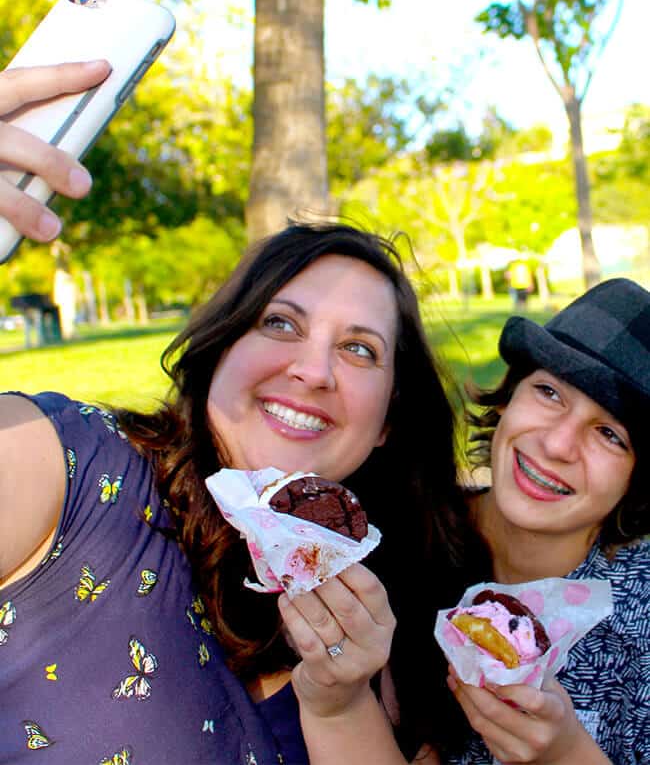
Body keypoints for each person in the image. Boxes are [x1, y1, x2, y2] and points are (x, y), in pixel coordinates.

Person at [0, 62, 488, 763]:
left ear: (386, 422)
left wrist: (339, 699)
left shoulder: (382, 621)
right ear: (219, 349)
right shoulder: (75, 469)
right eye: (281, 324)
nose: (313, 371)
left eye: (358, 349)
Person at [448, 279, 650, 765]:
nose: (558, 445)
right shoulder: (403, 539)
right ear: (507, 399)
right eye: (548, 392)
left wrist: (566, 756)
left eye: (609, 434)